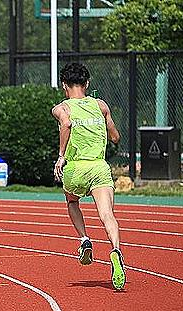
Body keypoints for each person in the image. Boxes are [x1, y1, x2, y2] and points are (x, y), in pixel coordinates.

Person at [52, 62, 126, 290]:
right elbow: (115, 137)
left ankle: (84, 239)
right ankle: (116, 250)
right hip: (99, 167)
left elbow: (66, 124)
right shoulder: (101, 105)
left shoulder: (61, 108)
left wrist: (61, 156)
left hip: (75, 169)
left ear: (64, 85)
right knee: (107, 215)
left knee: (72, 202)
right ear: (87, 83)